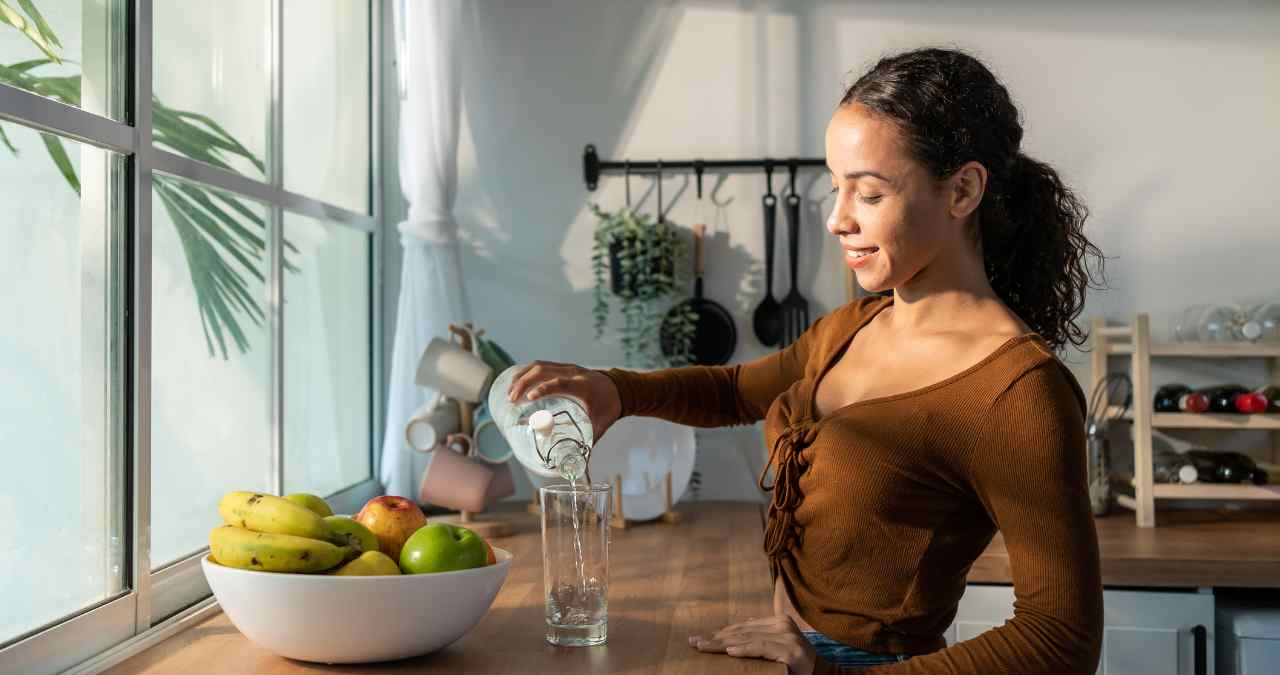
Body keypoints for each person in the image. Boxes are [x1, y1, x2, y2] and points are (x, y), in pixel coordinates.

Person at [506, 47, 1105, 674]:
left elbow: (1059, 639)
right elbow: (738, 390)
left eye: (869, 193)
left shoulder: (1020, 393)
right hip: (785, 651)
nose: (837, 219)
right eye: (836, 186)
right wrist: (615, 391)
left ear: (962, 190)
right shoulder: (857, 325)